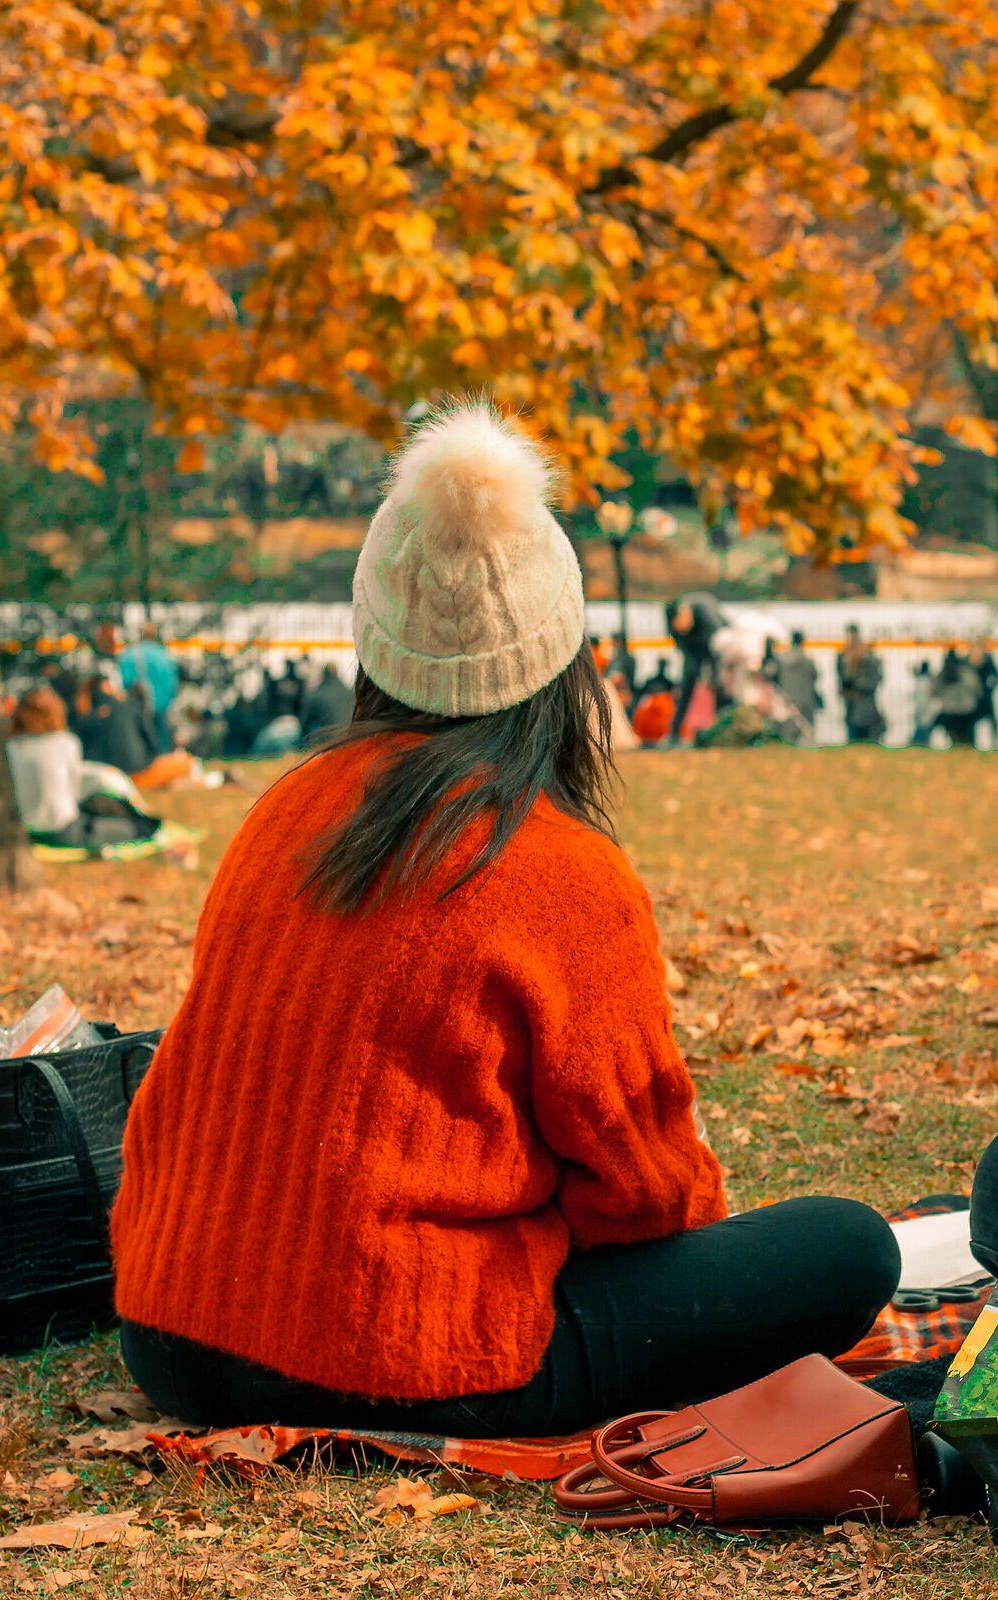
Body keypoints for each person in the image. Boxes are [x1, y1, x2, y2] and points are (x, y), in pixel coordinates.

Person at [113, 404, 897, 1433]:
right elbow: (645, 1197)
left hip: (172, 1326)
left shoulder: (283, 807)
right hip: (392, 1348)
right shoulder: (562, 869)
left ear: (373, 640)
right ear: (564, 656)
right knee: (852, 1247)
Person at [6, 687, 161, 848]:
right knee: (144, 826)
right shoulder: (66, 742)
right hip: (61, 831)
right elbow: (73, 793)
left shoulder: (9, 746)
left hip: (22, 830)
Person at [664, 591, 730, 746]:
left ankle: (721, 729)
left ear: (685, 613)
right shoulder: (672, 624)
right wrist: (698, 673)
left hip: (717, 648)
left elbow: (718, 647)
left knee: (719, 685)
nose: (681, 629)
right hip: (694, 651)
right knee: (686, 686)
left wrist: (711, 676)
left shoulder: (704, 611)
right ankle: (674, 732)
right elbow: (685, 651)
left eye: (682, 624)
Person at [74, 668, 157, 775]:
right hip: (138, 764)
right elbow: (152, 740)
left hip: (105, 769)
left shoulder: (89, 714)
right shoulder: (129, 705)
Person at [125, 624, 182, 753]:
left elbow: (125, 682)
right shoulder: (165, 655)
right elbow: (173, 684)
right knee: (162, 743)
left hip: (138, 709)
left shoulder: (130, 654)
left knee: (142, 745)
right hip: (161, 707)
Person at [840, 625, 886, 743]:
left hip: (864, 707)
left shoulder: (869, 661)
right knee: (853, 737)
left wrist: (856, 683)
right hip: (851, 705)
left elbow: (874, 681)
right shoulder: (843, 657)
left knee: (865, 738)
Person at [775, 631, 822, 734]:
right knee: (807, 731)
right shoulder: (808, 660)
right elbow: (815, 676)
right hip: (806, 698)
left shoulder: (782, 659)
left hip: (787, 697)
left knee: (789, 730)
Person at [298, 663, 355, 743]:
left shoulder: (318, 694)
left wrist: (303, 740)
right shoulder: (349, 692)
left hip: (331, 742)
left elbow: (304, 721)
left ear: (323, 674)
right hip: (352, 738)